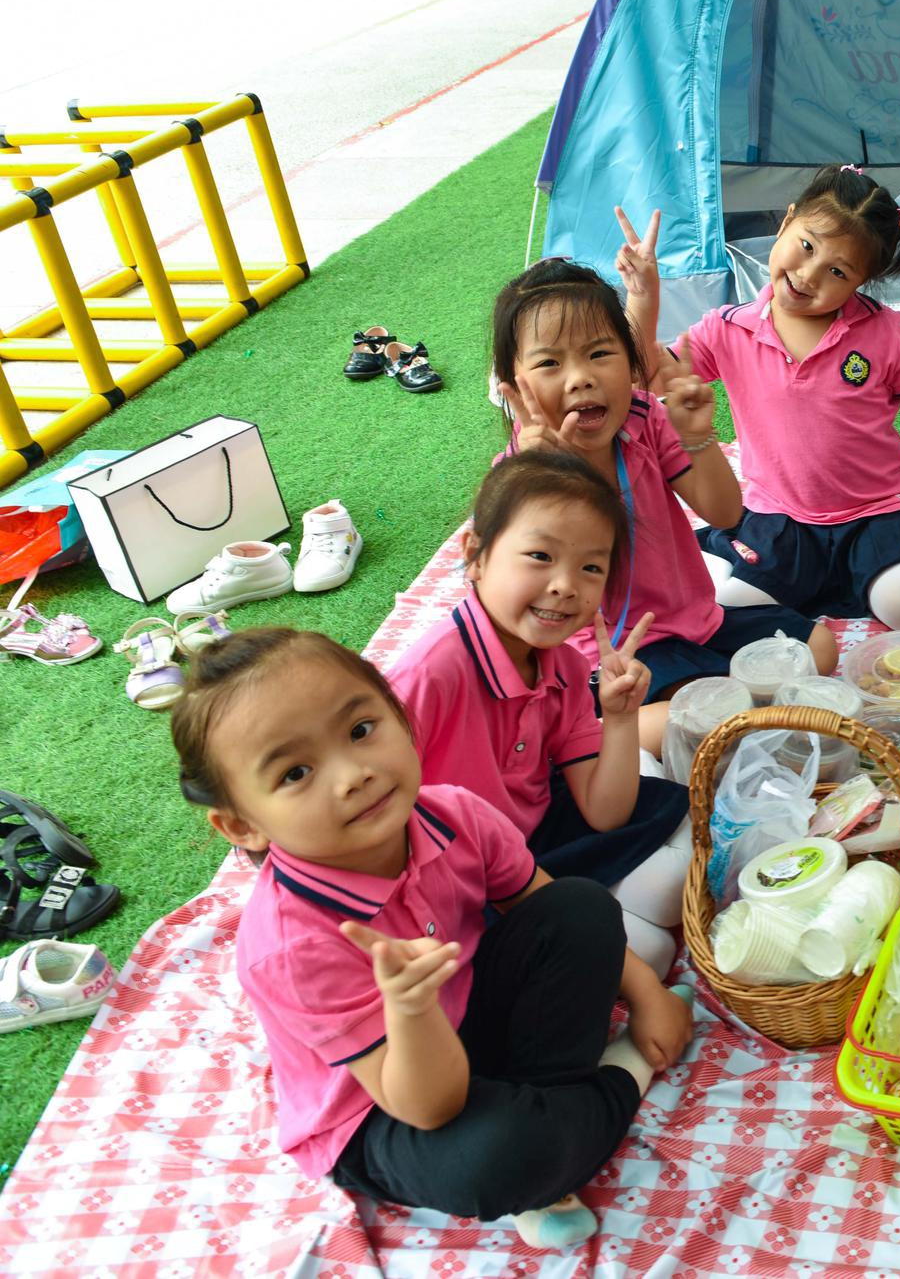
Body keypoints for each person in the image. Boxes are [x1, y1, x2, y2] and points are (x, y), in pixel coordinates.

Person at [170, 628, 693, 1249]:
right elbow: (427, 1107)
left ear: (401, 717)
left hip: (467, 1013)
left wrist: (645, 992)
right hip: (386, 1107)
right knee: (497, 1160)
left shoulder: (453, 812)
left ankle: (549, 1125)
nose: (354, 775)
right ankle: (617, 1080)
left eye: (361, 730)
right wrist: (412, 1009)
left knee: (580, 905)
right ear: (242, 824)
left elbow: (546, 908)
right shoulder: (291, 945)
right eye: (296, 772)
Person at [622, 167, 900, 632]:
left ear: (861, 281)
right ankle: (799, 582)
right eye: (806, 246)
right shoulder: (729, 327)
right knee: (725, 602)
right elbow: (646, 377)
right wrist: (642, 297)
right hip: (781, 518)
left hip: (876, 512)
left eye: (837, 271)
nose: (807, 274)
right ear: (787, 221)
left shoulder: (881, 330)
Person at [493, 257, 834, 752]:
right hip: (615, 655)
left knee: (817, 647)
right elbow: (519, 600)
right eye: (549, 363)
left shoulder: (643, 417)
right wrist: (548, 483)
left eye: (599, 353)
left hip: (699, 622)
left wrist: (698, 438)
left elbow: (724, 514)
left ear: (631, 361)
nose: (580, 378)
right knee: (691, 713)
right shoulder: (520, 473)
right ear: (513, 383)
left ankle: (736, 719)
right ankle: (629, 731)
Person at [386, 453, 691, 972]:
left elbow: (604, 812)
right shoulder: (427, 678)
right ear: (475, 555)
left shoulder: (567, 667)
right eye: (540, 556)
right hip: (462, 880)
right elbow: (384, 829)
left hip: (532, 840)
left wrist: (618, 718)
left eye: (591, 567)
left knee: (679, 841)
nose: (566, 585)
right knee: (654, 948)